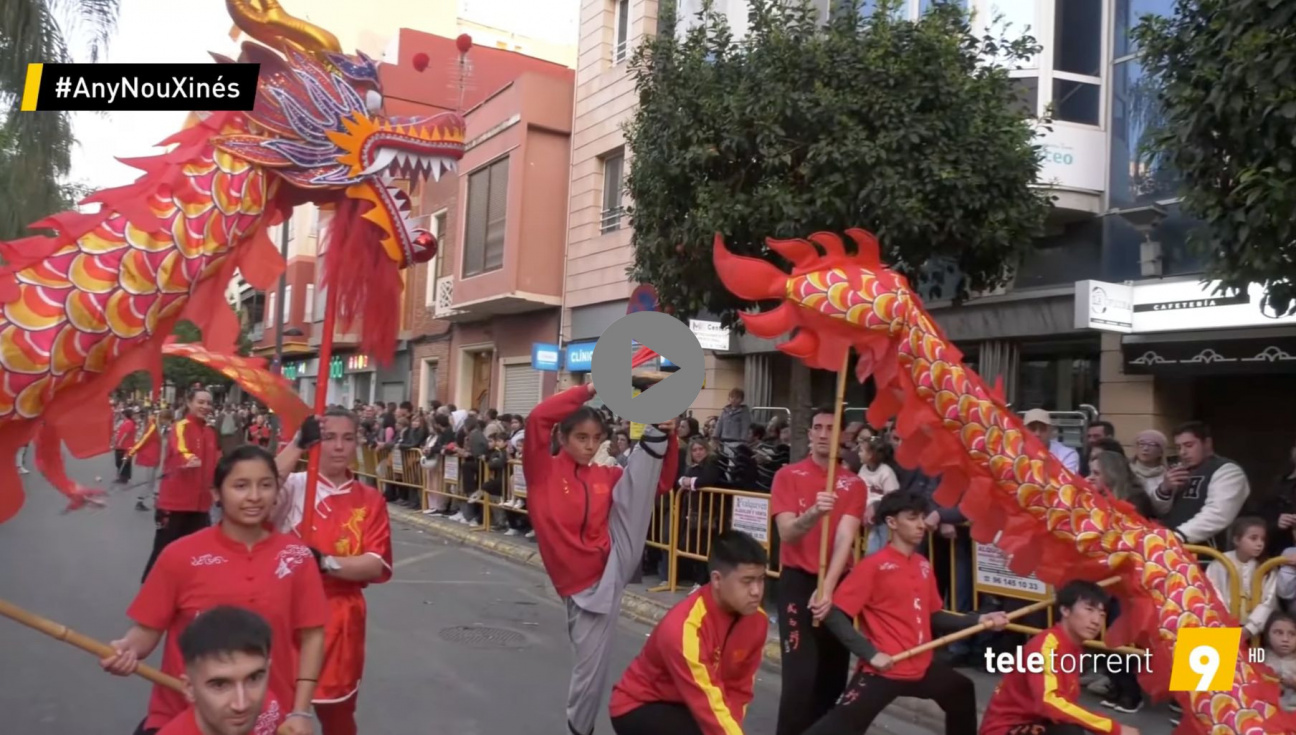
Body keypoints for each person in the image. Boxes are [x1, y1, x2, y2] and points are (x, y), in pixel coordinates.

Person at [102, 445, 328, 735]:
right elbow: (146, 632)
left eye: (266, 485)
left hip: (270, 720)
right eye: (241, 486)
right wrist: (126, 650)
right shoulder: (180, 555)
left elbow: (312, 636)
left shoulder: (297, 557)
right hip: (182, 716)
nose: (255, 497)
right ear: (216, 494)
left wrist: (300, 710)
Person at [522, 381, 678, 735]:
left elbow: (657, 486)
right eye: (581, 438)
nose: (590, 446)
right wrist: (591, 388)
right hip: (583, 585)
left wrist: (669, 439)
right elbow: (537, 419)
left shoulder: (605, 475)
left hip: (614, 560)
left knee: (633, 480)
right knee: (590, 674)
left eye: (597, 439)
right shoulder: (542, 472)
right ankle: (580, 729)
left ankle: (656, 429)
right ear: (563, 438)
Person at [803, 490, 1009, 735]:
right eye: (912, 518)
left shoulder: (923, 564)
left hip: (920, 666)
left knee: (961, 690)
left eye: (922, 517)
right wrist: (871, 653)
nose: (921, 524)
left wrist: (978, 620)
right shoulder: (873, 566)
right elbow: (834, 614)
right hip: (885, 669)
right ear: (892, 522)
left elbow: (935, 615)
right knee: (835, 729)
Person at [274, 410, 393, 735]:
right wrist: (297, 444)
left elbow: (375, 563)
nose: (339, 447)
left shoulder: (370, 500)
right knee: (276, 713)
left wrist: (325, 562)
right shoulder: (295, 486)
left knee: (337, 716)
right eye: (329, 438)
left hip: (340, 619)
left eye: (348, 438)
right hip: (286, 615)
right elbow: (259, 490)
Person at [609, 531, 769, 735]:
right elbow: (707, 704)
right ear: (717, 580)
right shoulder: (685, 628)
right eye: (747, 581)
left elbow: (739, 690)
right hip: (641, 704)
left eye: (761, 579)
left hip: (688, 702)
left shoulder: (758, 621)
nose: (756, 591)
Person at [774, 406, 869, 735]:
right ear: (810, 434)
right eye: (818, 427)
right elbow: (787, 533)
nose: (824, 434)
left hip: (838, 587)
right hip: (797, 582)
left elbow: (845, 537)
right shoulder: (788, 476)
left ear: (843, 436)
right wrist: (815, 512)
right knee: (800, 679)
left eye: (832, 428)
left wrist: (829, 588)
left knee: (832, 679)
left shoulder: (854, 484)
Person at [980, 580, 1139, 735]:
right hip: (1006, 728)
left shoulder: (1072, 646)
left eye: (1102, 614)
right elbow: (1050, 701)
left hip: (1039, 722)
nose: (1096, 620)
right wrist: (1112, 728)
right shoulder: (1045, 646)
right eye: (1089, 609)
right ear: (1065, 610)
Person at [158, 606, 284, 735]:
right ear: (190, 689)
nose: (241, 705)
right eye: (220, 685)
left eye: (253, 678)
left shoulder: (270, 707)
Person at [142, 389, 220, 582]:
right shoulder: (180, 426)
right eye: (200, 402)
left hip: (201, 506)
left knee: (196, 555)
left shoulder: (210, 433)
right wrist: (188, 458)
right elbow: (180, 447)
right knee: (164, 551)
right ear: (189, 402)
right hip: (174, 504)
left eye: (209, 403)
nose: (205, 407)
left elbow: (216, 464)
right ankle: (151, 592)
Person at [1152, 421, 1249, 548]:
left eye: (1189, 445)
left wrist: (1179, 535)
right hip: (1175, 549)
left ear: (1207, 443)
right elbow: (1160, 511)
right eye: (1178, 447)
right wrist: (1164, 489)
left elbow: (1217, 514)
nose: (1182, 452)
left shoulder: (1228, 470)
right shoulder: (1180, 470)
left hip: (1212, 554)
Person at [1205, 517, 1277, 638]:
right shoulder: (1220, 563)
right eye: (1253, 538)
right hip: (1221, 627)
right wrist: (1226, 624)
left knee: (1254, 656)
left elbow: (1269, 601)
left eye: (1263, 539)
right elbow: (1212, 594)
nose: (1260, 543)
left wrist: (1250, 629)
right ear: (1237, 540)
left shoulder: (1267, 567)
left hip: (1255, 632)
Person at [130, 409, 172, 512]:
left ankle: (154, 500)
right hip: (150, 457)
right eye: (168, 420)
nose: (168, 423)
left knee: (152, 482)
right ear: (163, 418)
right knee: (150, 483)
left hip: (154, 457)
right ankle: (140, 501)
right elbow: (143, 440)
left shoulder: (157, 426)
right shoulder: (153, 426)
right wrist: (132, 452)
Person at [1023, 409, 1080, 474]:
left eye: (1043, 428)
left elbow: (1067, 482)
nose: (1037, 434)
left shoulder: (1067, 455)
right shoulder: (1014, 453)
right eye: (1032, 429)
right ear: (1024, 431)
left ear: (1050, 431)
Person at [1262, 611, 1296, 712]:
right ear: (1267, 635)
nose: (1285, 639)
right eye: (1278, 633)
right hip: (1265, 709)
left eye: (1292, 634)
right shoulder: (1259, 654)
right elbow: (1246, 677)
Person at [115, 407, 138, 484]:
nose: (122, 415)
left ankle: (123, 477)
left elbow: (126, 433)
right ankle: (123, 476)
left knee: (122, 461)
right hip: (124, 445)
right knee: (123, 461)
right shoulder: (126, 422)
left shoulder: (129, 422)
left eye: (123, 414)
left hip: (124, 445)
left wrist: (121, 442)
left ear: (125, 414)